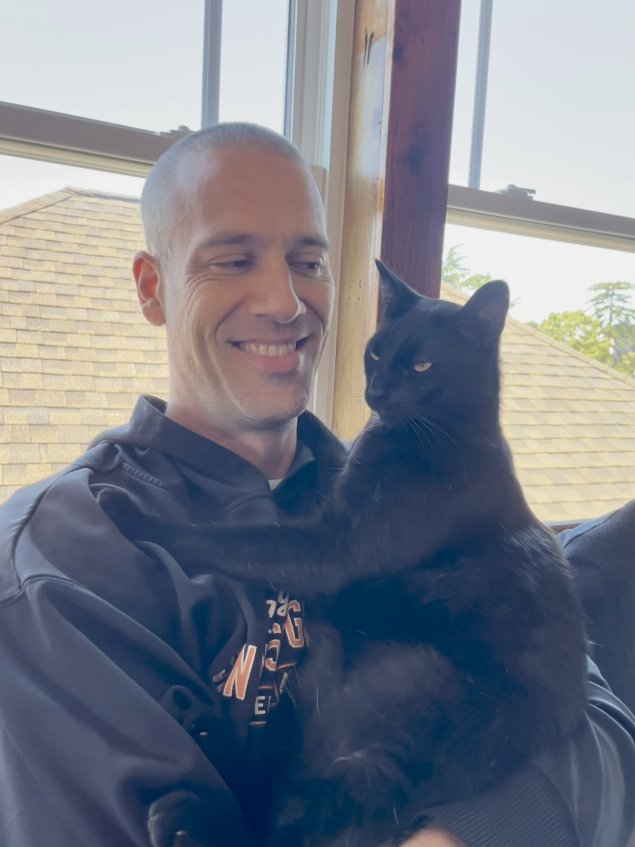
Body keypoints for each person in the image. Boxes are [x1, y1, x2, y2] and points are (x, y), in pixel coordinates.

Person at [0, 122, 633, 847]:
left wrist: (468, 832)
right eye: (232, 260)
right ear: (153, 288)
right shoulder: (63, 559)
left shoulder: (402, 483)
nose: (284, 300)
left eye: (307, 262)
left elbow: (603, 734)